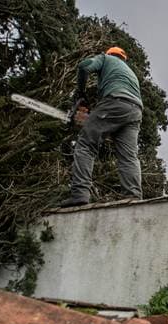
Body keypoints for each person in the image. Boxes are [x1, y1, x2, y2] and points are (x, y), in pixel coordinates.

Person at [61, 46, 144, 207]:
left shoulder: (105, 59)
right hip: (135, 111)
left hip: (115, 101)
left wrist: (80, 93)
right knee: (128, 156)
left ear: (110, 54)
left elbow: (84, 66)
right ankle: (133, 196)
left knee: (85, 145)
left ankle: (80, 193)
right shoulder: (130, 74)